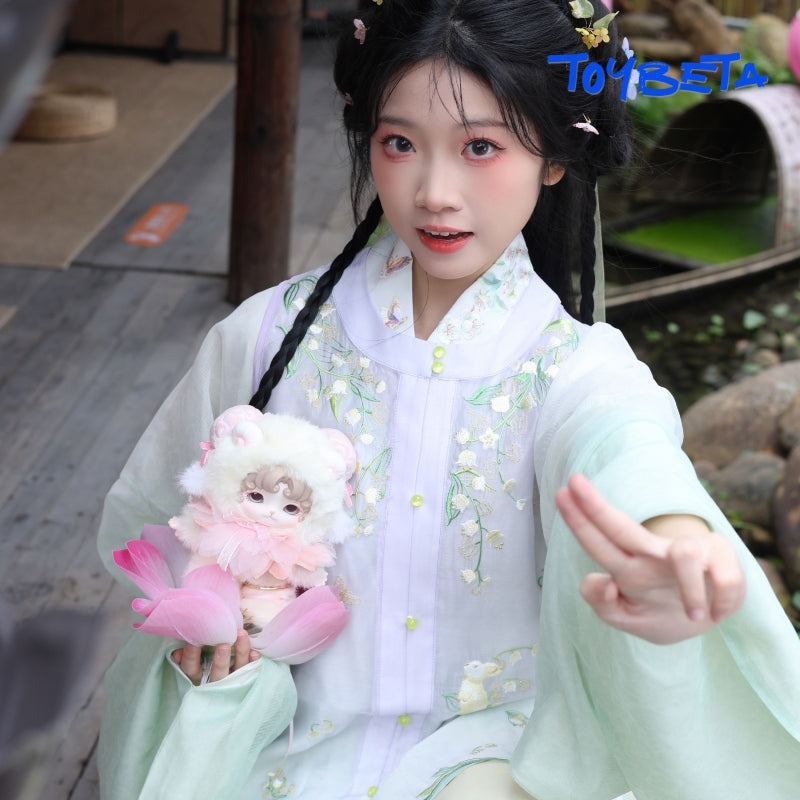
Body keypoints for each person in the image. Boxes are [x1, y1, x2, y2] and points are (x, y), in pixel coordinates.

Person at [96, 1, 800, 798]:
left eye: (480, 147)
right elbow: (151, 524)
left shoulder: (572, 368)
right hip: (277, 737)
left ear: (556, 153)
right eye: (400, 143)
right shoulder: (267, 336)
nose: (434, 192)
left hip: (495, 754)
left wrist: (673, 539)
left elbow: (625, 447)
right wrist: (213, 613)